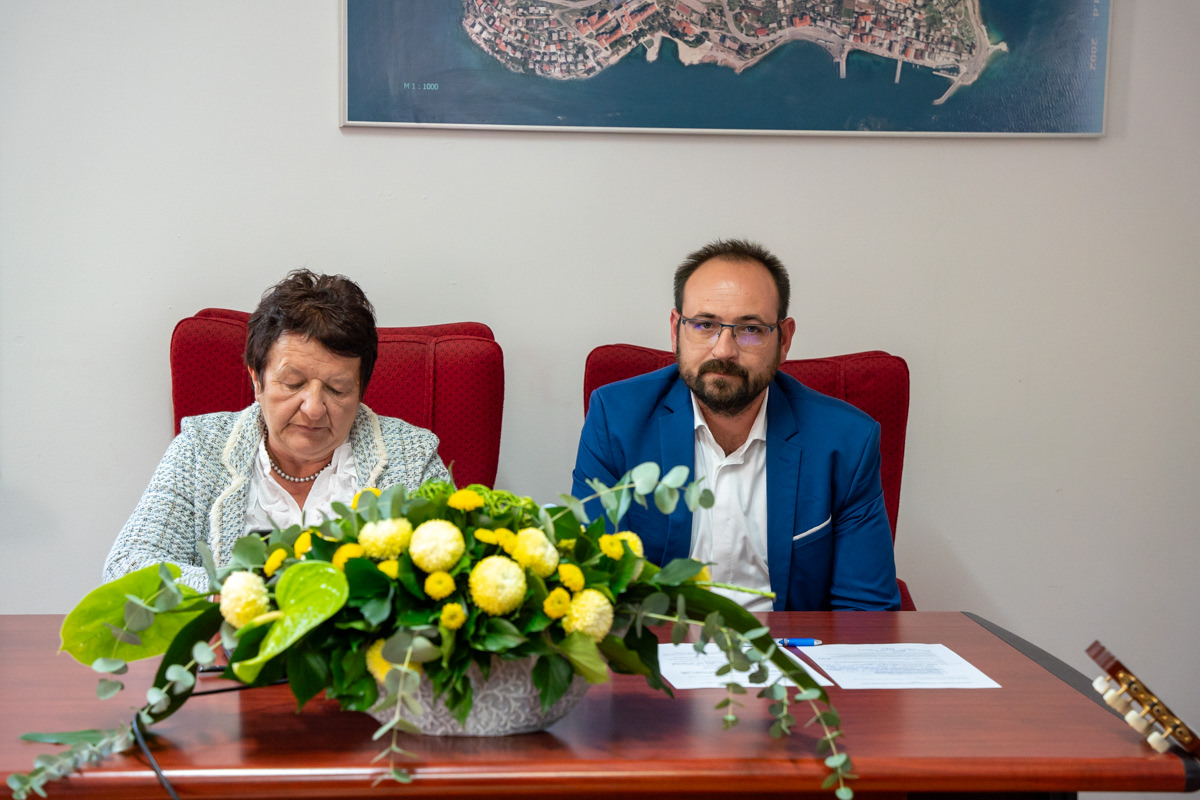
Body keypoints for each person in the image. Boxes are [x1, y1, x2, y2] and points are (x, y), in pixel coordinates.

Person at [572, 239, 900, 611]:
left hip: (784, 645)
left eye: (750, 329)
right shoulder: (616, 420)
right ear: (676, 329)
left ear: (784, 339)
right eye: (704, 324)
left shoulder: (847, 441)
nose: (724, 350)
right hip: (660, 640)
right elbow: (593, 588)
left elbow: (866, 614)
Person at [104, 270, 451, 591]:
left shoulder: (412, 457)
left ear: (361, 391)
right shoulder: (201, 447)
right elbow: (127, 567)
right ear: (257, 379)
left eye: (337, 389)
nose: (313, 408)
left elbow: (451, 574)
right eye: (293, 383)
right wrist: (239, 594)